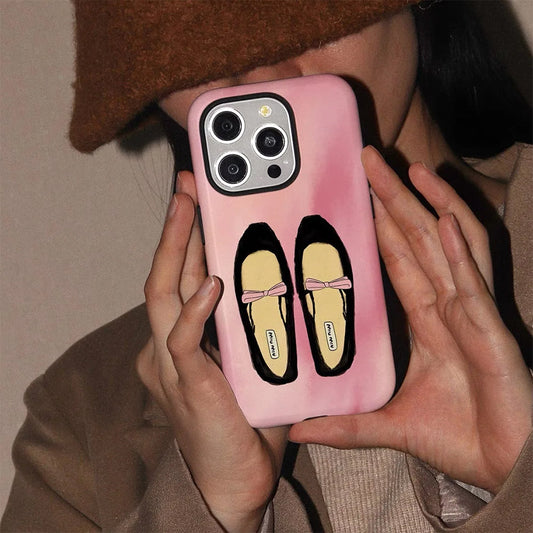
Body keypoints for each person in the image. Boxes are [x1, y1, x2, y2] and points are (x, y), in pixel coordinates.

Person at [2, 1, 532, 531]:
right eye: (193, 31)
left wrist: (519, 479)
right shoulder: (81, 418)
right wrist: (212, 510)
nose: (260, 78)